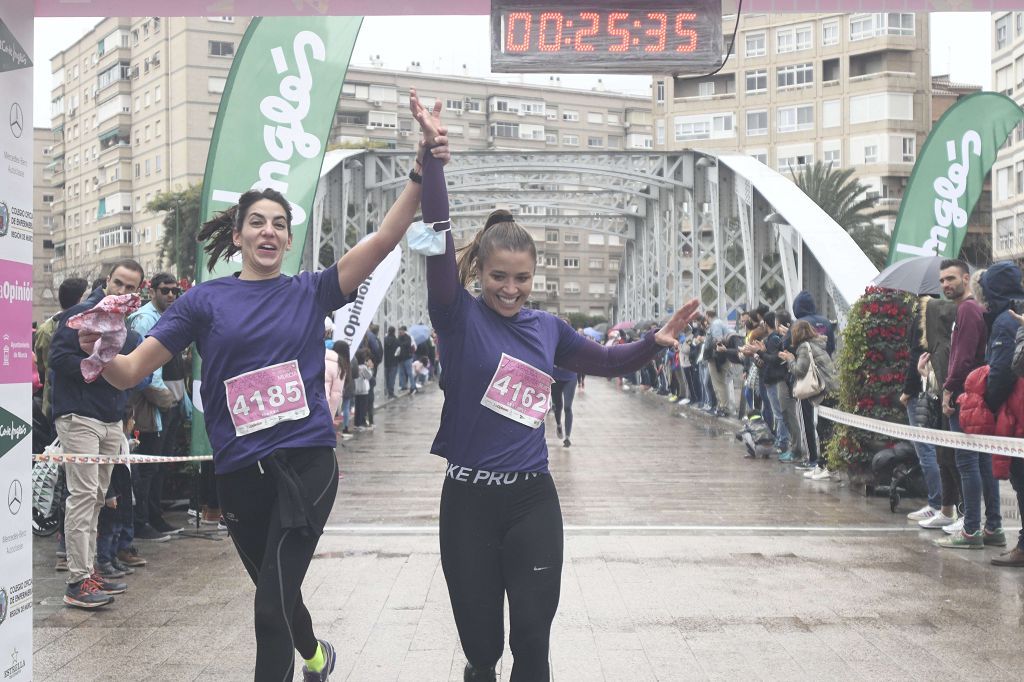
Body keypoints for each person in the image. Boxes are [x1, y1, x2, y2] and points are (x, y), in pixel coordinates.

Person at [76, 91, 450, 681]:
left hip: (305, 462)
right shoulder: (204, 301)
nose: (269, 232)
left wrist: (421, 167)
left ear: (287, 237)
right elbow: (130, 372)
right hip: (237, 474)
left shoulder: (312, 290)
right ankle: (319, 657)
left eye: (280, 224)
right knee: (279, 595)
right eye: (258, 223)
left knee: (268, 606)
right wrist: (101, 349)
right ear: (241, 233)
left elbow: (380, 242)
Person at [412, 91, 701, 682]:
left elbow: (609, 362)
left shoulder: (548, 330)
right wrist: (434, 159)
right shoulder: (456, 316)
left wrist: (655, 343)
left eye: (521, 278)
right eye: (498, 277)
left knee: (534, 648)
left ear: (533, 275)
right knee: (482, 651)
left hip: (531, 501)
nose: (510, 289)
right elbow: (437, 234)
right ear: (479, 273)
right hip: (466, 502)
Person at [50, 260, 144, 609]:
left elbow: (136, 372)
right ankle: (76, 580)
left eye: (129, 286)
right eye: (117, 282)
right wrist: (90, 367)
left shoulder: (126, 326)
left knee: (98, 498)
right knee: (84, 495)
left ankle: (88, 571)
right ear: (107, 281)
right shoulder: (81, 313)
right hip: (78, 415)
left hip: (110, 418)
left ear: (137, 292)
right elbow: (57, 358)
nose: (121, 290)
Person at [935, 259, 1001, 550]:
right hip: (976, 396)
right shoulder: (976, 310)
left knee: (967, 463)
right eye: (942, 281)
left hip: (965, 397)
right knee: (983, 462)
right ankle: (993, 526)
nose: (946, 285)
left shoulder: (967, 309)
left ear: (966, 278)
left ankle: (972, 529)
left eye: (951, 278)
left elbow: (962, 359)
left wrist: (949, 390)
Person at [127, 273, 182, 541]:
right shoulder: (145, 319)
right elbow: (141, 366)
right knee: (147, 467)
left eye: (175, 291)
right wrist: (161, 397)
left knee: (158, 465)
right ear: (152, 291)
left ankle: (155, 517)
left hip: (167, 402)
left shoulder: (166, 317)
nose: (171, 295)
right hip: (149, 403)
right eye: (165, 290)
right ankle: (142, 522)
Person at [778, 320, 838, 481]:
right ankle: (822, 465)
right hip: (832, 389)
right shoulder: (817, 344)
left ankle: (827, 467)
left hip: (825, 390)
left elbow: (799, 371)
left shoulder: (804, 347)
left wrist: (790, 359)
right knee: (825, 428)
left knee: (824, 430)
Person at [549, 363, 577, 447]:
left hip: (570, 378)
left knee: (567, 407)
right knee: (558, 406)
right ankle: (559, 425)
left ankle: (567, 437)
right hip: (555, 378)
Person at [383, 326, 399, 398]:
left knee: (387, 378)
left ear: (388, 331)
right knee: (392, 378)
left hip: (386, 362)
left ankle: (386, 391)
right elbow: (399, 351)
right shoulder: (396, 340)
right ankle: (391, 393)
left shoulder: (384, 340)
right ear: (394, 331)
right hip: (394, 362)